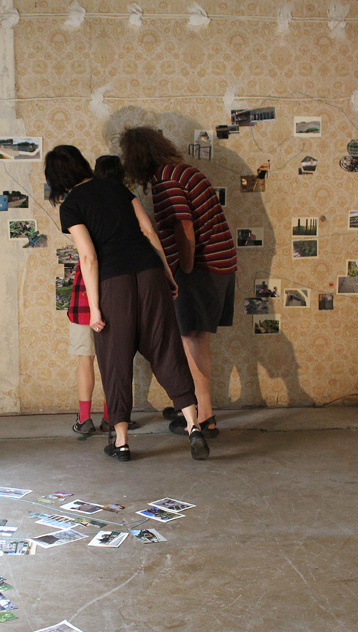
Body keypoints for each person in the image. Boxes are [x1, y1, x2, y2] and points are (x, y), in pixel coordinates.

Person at [45, 145, 208, 461]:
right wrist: (166, 272)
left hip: (113, 284)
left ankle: (121, 442)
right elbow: (148, 230)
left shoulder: (71, 205)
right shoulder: (116, 188)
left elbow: (89, 258)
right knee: (166, 349)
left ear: (57, 177)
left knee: (115, 359)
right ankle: (193, 425)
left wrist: (94, 308)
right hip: (149, 272)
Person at [118, 127, 237, 439]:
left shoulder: (167, 180)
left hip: (201, 268)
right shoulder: (184, 171)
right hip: (218, 263)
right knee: (194, 338)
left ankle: (205, 417)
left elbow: (184, 229)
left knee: (192, 339)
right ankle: (195, 406)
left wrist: (183, 272)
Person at [68, 156, 141, 436]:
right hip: (116, 289)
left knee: (85, 357)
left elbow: (87, 255)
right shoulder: (124, 203)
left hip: (84, 293)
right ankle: (112, 416)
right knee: (116, 360)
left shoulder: (83, 202)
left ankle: (84, 418)